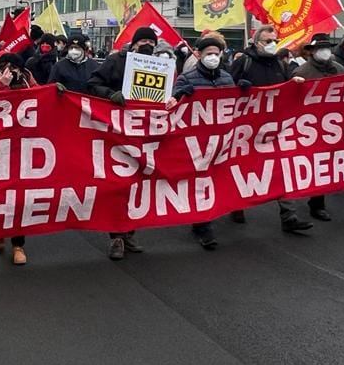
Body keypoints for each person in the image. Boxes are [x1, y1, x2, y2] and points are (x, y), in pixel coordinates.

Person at [227, 25, 313, 232]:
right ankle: (237, 204)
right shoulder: (243, 62)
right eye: (268, 41)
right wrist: (240, 87)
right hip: (247, 128)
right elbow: (226, 90)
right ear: (257, 43)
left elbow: (287, 87)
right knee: (245, 169)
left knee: (282, 169)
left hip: (275, 126)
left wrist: (295, 82)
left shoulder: (279, 64)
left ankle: (289, 215)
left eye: (274, 40)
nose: (272, 44)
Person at [88, 27, 160, 260]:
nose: (147, 44)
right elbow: (93, 83)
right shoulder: (115, 61)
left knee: (138, 185)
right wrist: (111, 95)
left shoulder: (160, 66)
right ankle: (116, 237)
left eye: (151, 40)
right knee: (117, 184)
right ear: (134, 43)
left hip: (144, 133)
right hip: (117, 131)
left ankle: (129, 232)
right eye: (143, 40)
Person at [166, 34, 235, 250]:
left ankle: (204, 218)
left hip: (220, 139)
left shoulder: (226, 78)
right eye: (209, 54)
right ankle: (203, 225)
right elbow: (172, 105)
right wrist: (179, 96)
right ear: (199, 55)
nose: (213, 58)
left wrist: (243, 92)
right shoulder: (187, 78)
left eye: (216, 54)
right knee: (199, 181)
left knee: (215, 179)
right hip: (196, 141)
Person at [0, 50, 38, 264]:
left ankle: (18, 245)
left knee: (20, 199)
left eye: (14, 67)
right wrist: (1, 85)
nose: (10, 71)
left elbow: (43, 99)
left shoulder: (29, 82)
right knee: (1, 195)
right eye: (5, 67)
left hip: (25, 147)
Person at [292, 34, 344, 221]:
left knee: (327, 164)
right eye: (320, 48)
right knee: (314, 164)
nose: (324, 51)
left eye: (327, 48)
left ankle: (319, 200)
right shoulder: (302, 72)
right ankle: (313, 202)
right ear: (312, 51)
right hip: (310, 126)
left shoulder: (339, 69)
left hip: (334, 124)